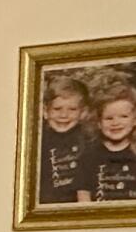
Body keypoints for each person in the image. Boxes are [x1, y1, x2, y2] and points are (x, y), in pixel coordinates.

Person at [84, 80, 136, 204]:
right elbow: (83, 195)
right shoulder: (89, 155)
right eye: (109, 118)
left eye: (123, 116)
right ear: (99, 123)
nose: (115, 123)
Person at [35, 75, 96, 207]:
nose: (63, 115)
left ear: (83, 112)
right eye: (57, 109)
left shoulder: (89, 140)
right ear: (45, 111)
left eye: (72, 109)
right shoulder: (39, 140)